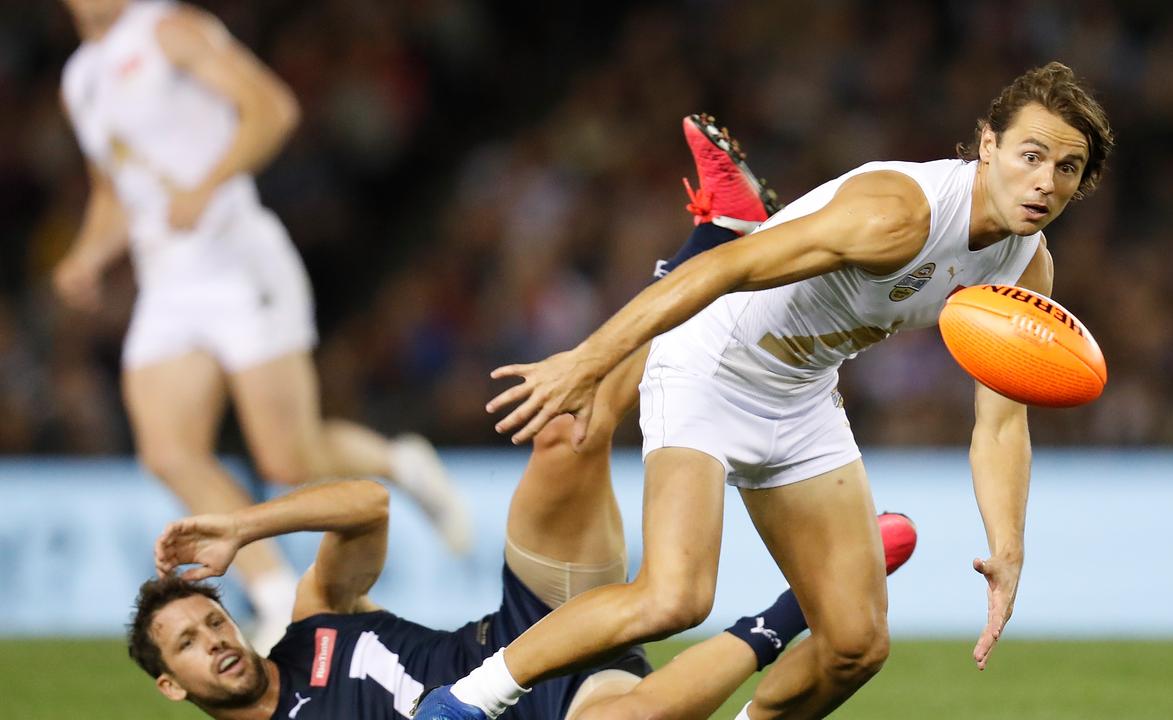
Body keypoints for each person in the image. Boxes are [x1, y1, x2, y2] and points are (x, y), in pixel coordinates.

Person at [426, 62, 1115, 720]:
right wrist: (588, 360)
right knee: (674, 599)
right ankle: (464, 701)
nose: (1045, 183)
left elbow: (999, 424)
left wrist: (1008, 547)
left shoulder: (1026, 267)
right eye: (1031, 155)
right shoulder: (897, 216)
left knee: (854, 646)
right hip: (713, 362)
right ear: (988, 145)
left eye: (1067, 169)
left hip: (804, 393)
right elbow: (727, 270)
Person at [53, 0, 471, 650]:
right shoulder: (81, 77)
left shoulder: (169, 31)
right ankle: (275, 595)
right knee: (168, 451)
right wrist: (86, 254)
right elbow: (114, 187)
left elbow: (271, 108)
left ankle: (398, 462)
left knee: (288, 459)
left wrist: (207, 184)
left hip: (237, 260)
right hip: (167, 282)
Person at [131, 444, 917, 719]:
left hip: (527, 631)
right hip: (556, 710)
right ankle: (799, 603)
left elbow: (367, 505)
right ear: (173, 685)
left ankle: (713, 240)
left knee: (566, 436)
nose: (217, 645)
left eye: (214, 623)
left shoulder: (312, 624)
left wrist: (242, 525)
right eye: (190, 646)